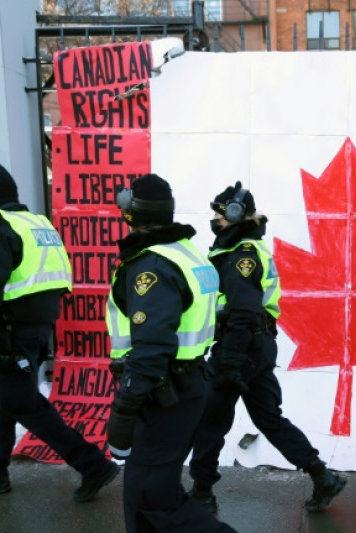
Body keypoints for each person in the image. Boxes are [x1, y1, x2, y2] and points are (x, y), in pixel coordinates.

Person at [0, 163, 118, 502]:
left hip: (11, 329)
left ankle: (92, 465)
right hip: (35, 328)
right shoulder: (38, 224)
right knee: (2, 400)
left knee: (23, 404)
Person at [186, 181, 347, 515]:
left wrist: (229, 359)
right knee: (269, 419)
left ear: (233, 215)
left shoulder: (241, 253)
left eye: (218, 213)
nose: (214, 218)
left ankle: (202, 492)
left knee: (210, 419)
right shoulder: (242, 249)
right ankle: (322, 476)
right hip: (257, 345)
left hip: (240, 345)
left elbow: (243, 309)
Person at [104, 174, 235, 532]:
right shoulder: (187, 253)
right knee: (141, 495)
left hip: (163, 393)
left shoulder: (152, 266)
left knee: (153, 494)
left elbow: (153, 345)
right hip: (183, 385)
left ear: (132, 212)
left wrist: (126, 405)